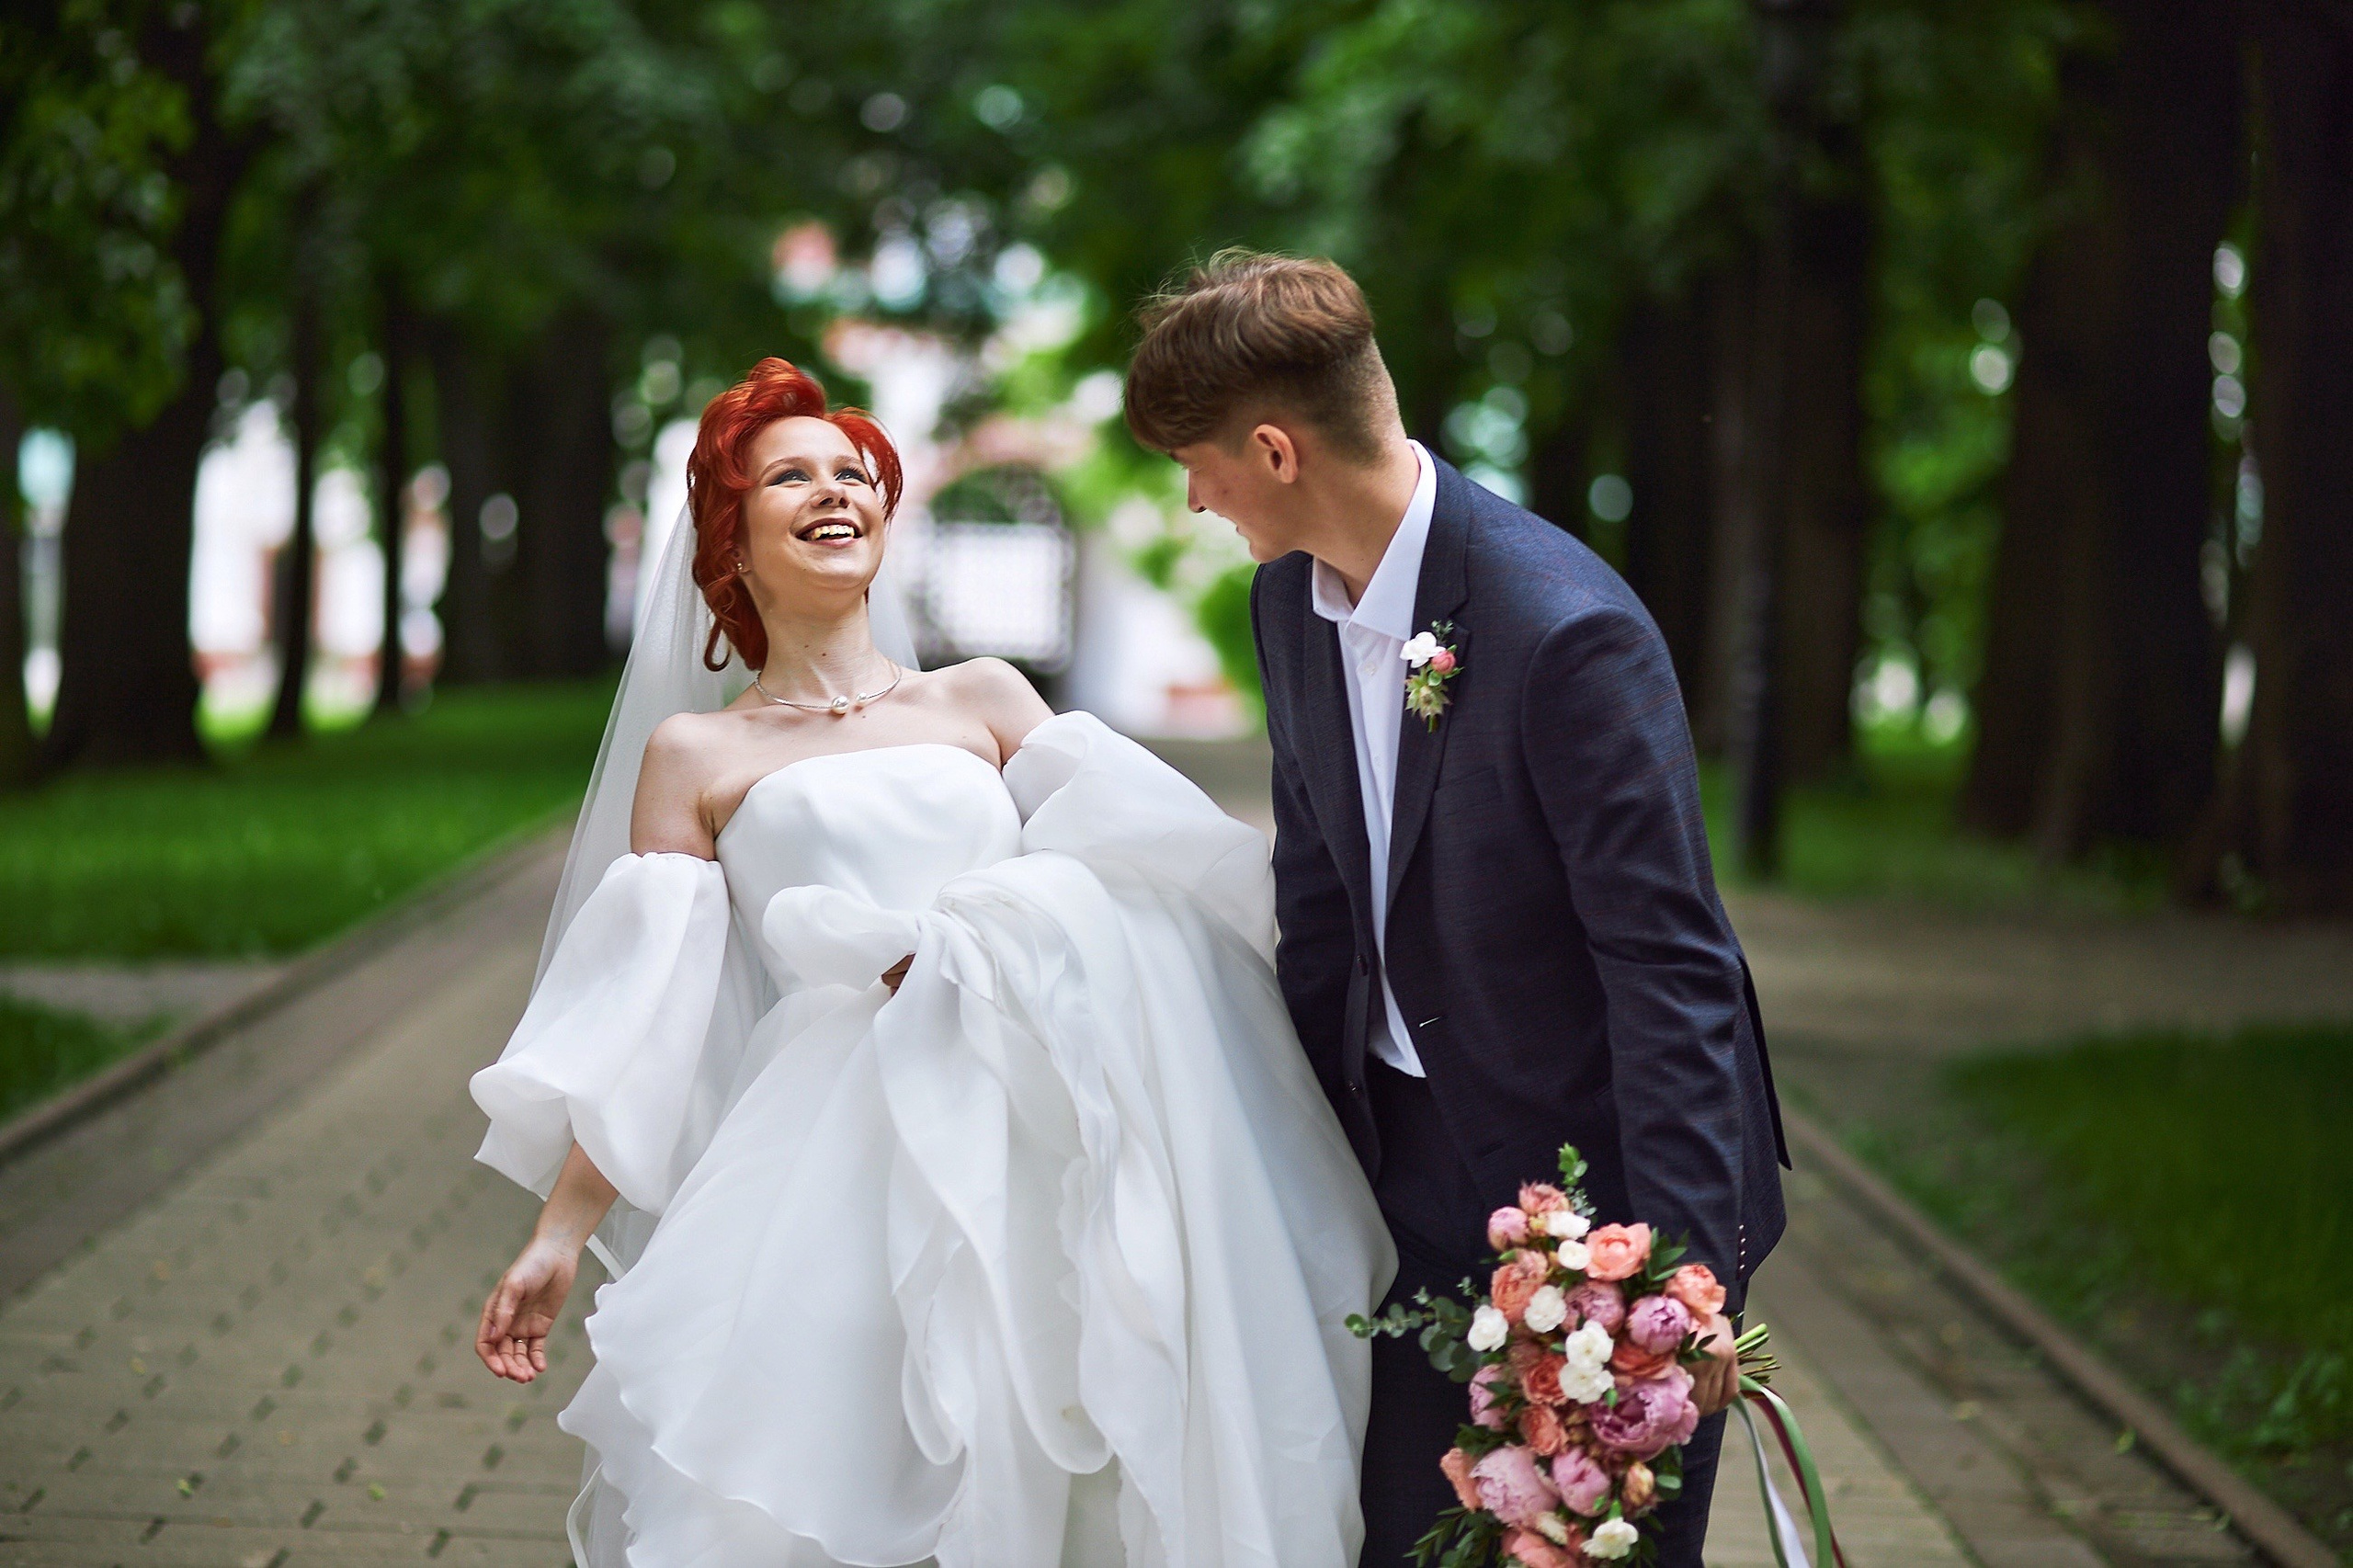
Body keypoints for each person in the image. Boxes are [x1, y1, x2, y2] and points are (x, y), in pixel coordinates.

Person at [470, 358, 1393, 1567]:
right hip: (830, 1152)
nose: (833, 490)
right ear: (729, 535)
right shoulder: (696, 751)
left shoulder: (985, 699)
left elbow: (1171, 865)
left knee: (1070, 1438)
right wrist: (557, 1228)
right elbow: (653, 1007)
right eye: (789, 474)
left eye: (853, 471)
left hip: (1040, 1123)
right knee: (851, 1456)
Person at [1123, 253, 1790, 1567]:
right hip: (1403, 1182)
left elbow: (1672, 967)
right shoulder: (1288, 604)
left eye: (1195, 466)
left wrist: (1676, 1276)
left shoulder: (1563, 629)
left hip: (1596, 1202)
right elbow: (1319, 904)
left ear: (1271, 449)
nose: (1193, 499)